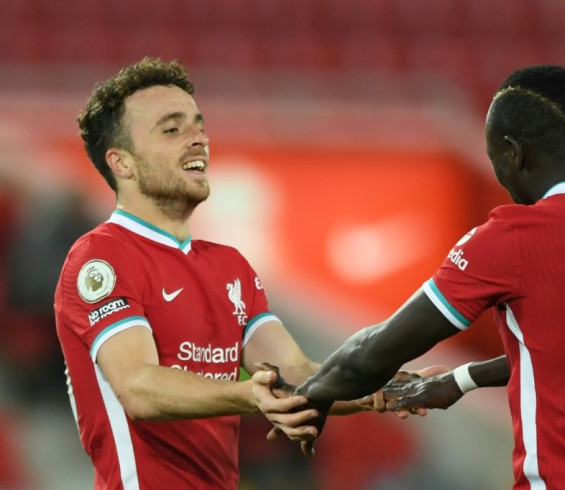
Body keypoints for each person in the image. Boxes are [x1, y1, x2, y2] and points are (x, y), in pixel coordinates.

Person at [256, 65, 565, 489]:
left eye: (495, 160)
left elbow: (369, 357)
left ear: (514, 152)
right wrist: (462, 379)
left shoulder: (517, 237)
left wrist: (309, 397)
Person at [54, 57, 389, 490]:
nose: (199, 139)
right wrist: (250, 394)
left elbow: (297, 373)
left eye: (198, 125)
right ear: (122, 163)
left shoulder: (230, 265)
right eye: (172, 129)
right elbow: (138, 387)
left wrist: (389, 390)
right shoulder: (101, 257)